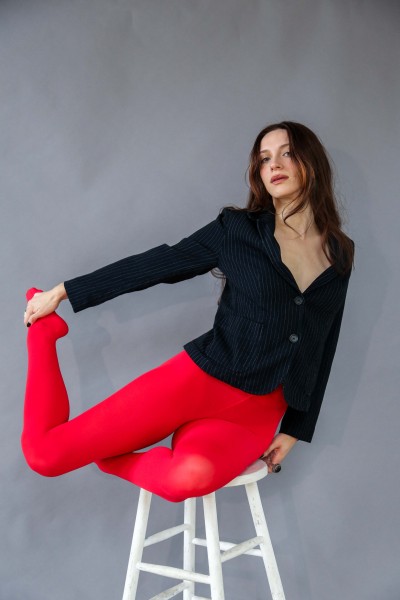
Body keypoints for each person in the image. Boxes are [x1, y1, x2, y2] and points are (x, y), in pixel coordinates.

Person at [22, 121, 354, 503]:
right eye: (264, 158)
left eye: (287, 153)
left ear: (312, 163)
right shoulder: (237, 229)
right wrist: (65, 291)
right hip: (198, 381)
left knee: (189, 479)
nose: (274, 165)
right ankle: (43, 337)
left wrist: (296, 428)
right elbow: (163, 262)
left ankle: (107, 459)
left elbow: (323, 343)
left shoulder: (340, 251)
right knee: (45, 455)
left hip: (255, 414)